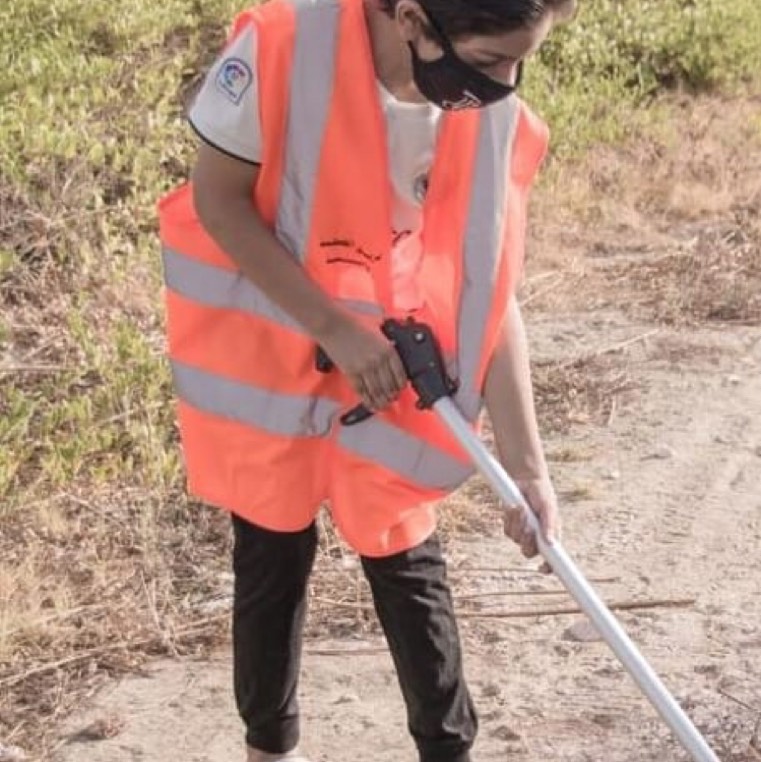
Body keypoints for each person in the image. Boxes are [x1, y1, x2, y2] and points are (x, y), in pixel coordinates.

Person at [157, 0, 575, 759]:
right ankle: (269, 748)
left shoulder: (484, 113)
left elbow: (490, 294)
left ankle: (448, 749)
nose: (506, 85)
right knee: (270, 559)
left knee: (407, 555)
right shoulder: (281, 47)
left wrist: (529, 471)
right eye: (490, 62)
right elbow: (217, 200)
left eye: (522, 62)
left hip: (392, 367)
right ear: (413, 19)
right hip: (273, 359)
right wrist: (335, 330)